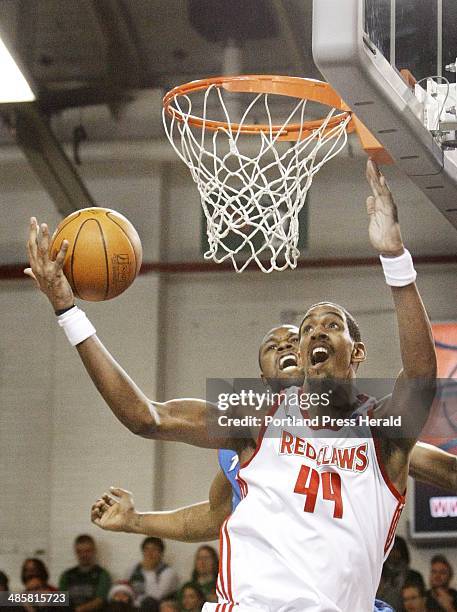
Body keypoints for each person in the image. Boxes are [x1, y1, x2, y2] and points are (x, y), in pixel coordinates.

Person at [27, 159, 437, 611]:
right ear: (298, 358)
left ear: (356, 352)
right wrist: (68, 310)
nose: (316, 331)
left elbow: (420, 377)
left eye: (332, 324)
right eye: (307, 329)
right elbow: (147, 417)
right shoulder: (254, 422)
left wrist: (395, 257)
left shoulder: (383, 436)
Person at [58, 534, 111, 612]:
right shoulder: (66, 575)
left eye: (87, 551)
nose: (83, 555)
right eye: (79, 551)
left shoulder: (102, 574)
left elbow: (100, 601)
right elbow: (61, 599)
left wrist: (78, 610)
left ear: (94, 551)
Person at [125, 537, 178, 608]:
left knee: (149, 603)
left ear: (161, 553)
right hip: (134, 606)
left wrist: (149, 570)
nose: (149, 553)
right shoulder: (133, 569)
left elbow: (155, 596)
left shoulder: (168, 572)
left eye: (154, 549)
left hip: (155, 607)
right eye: (146, 549)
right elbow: (126, 589)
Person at [376, 536, 424, 610]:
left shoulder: (414, 576)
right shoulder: (379, 576)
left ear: (403, 552)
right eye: (391, 550)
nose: (393, 554)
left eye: (397, 550)